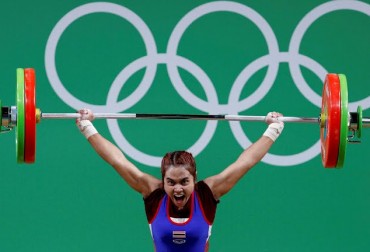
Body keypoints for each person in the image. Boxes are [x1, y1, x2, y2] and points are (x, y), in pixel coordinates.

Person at [76, 109, 284, 252]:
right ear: (163, 181)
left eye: (184, 182)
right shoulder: (153, 193)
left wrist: (273, 129)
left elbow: (245, 162)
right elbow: (117, 160)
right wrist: (86, 126)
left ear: (194, 179)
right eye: (171, 182)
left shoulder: (207, 193)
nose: (177, 189)